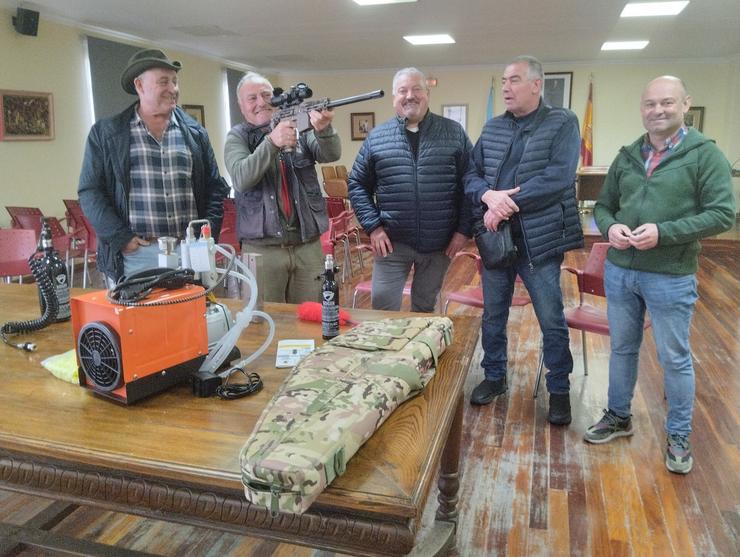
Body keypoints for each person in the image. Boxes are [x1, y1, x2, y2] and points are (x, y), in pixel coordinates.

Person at [584, 76, 735, 474]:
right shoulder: (628, 155)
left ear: (686, 103)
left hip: (669, 274)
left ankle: (679, 434)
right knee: (621, 349)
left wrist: (664, 233)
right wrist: (610, 227)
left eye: (667, 103)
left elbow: (723, 214)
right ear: (642, 109)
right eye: (650, 104)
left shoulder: (705, 156)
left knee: (674, 357)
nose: (658, 110)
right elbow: (604, 206)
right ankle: (619, 416)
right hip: (621, 272)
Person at [463, 56, 582, 425]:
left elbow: (558, 178)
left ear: (536, 85)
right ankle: (494, 377)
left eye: (514, 80)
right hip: (498, 240)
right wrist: (487, 197)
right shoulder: (494, 127)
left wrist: (504, 204)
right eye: (503, 81)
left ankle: (559, 389)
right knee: (493, 314)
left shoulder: (562, 122)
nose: (506, 88)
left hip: (539, 242)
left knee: (550, 318)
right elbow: (471, 173)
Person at [78, 49, 228, 284]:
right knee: (137, 321)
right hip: (136, 257)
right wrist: (121, 238)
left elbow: (215, 188)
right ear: (140, 85)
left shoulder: (196, 134)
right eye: (164, 81)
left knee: (192, 319)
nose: (173, 89)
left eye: (175, 81)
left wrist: (206, 237)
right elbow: (90, 192)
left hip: (190, 253)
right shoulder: (107, 134)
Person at [348, 67, 472, 312]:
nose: (410, 96)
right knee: (382, 307)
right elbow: (357, 184)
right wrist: (373, 227)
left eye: (417, 89)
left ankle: (422, 351)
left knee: (425, 308)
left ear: (428, 94)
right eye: (403, 91)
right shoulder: (377, 137)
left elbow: (470, 183)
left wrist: (463, 231)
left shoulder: (453, 133)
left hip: (440, 243)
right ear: (394, 97)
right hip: (392, 243)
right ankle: (387, 352)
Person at [224, 72, 340, 303]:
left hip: (307, 245)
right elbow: (241, 178)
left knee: (311, 318)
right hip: (262, 250)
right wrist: (272, 142)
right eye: (252, 98)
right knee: (263, 321)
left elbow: (331, 153)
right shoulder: (237, 137)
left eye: (266, 95)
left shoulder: (299, 130)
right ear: (241, 105)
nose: (260, 103)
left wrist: (324, 129)